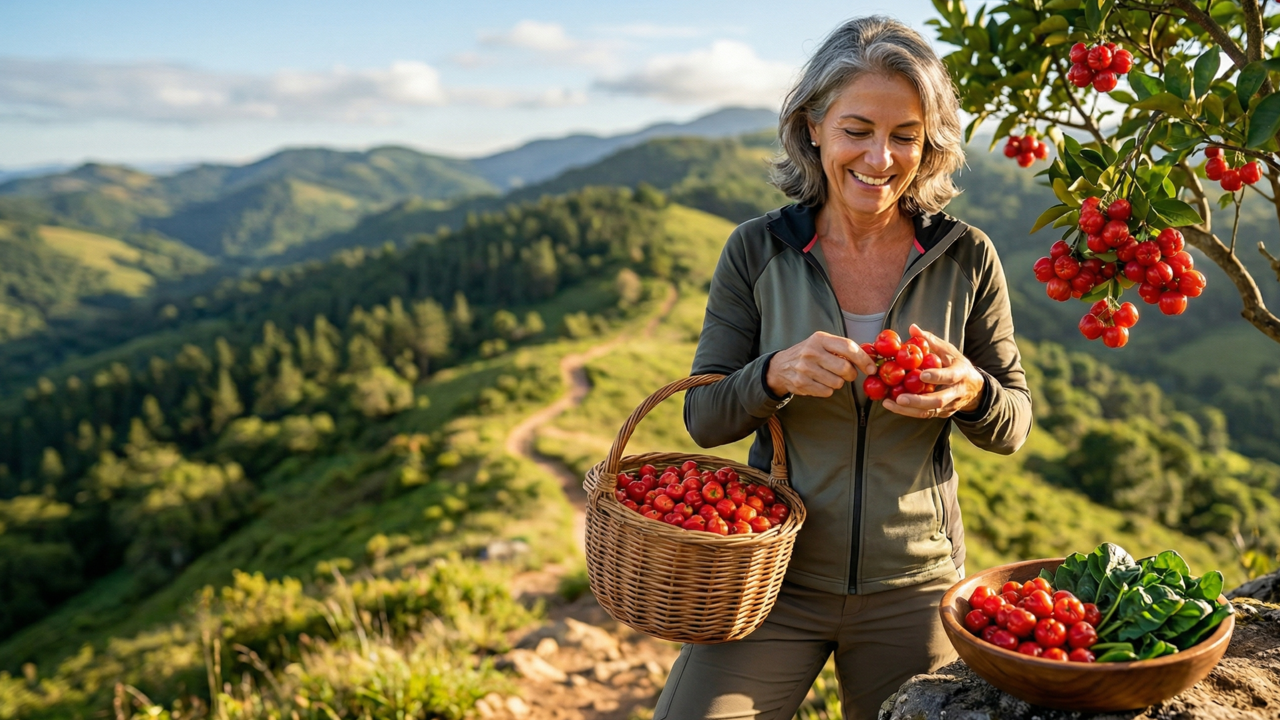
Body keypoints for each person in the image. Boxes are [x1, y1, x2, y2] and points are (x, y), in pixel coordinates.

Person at [653, 16, 1034, 720]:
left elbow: (1013, 424)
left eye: (905, 135)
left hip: (914, 585)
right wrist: (772, 375)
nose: (880, 157)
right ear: (813, 129)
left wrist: (973, 391)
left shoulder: (966, 256)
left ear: (930, 142)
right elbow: (702, 418)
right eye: (856, 130)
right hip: (772, 578)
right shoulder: (756, 251)